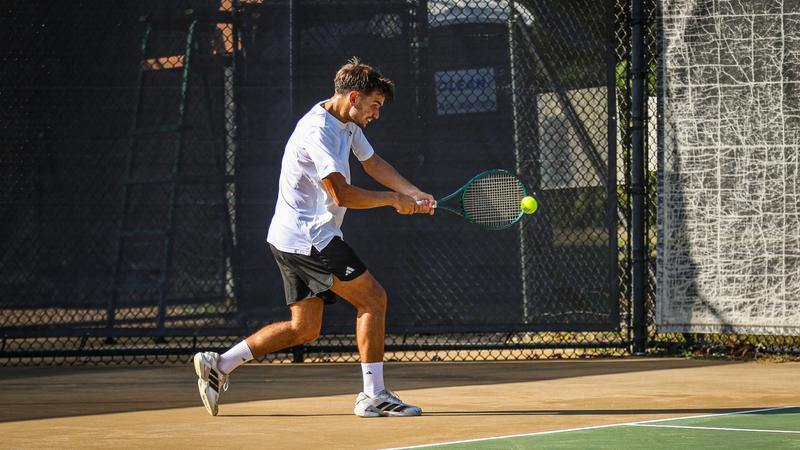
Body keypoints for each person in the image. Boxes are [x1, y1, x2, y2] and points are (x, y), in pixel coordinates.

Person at [193, 57, 434, 417]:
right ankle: (374, 396)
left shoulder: (346, 123)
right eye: (374, 105)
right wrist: (393, 200)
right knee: (373, 300)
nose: (376, 114)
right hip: (311, 237)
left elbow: (372, 162)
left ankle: (220, 364)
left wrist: (413, 193)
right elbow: (341, 194)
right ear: (354, 97)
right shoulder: (318, 130)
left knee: (303, 329)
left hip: (289, 236)